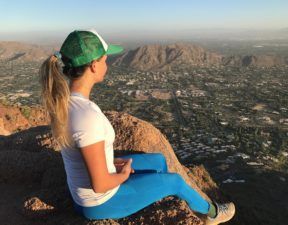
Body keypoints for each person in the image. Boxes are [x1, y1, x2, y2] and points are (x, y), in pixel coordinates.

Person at [39, 28, 235, 225]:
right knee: (175, 181)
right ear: (93, 65)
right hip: (100, 203)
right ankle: (212, 214)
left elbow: (83, 154)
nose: (107, 64)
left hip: (85, 196)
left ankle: (162, 195)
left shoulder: (67, 103)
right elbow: (100, 184)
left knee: (158, 161)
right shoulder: (87, 117)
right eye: (105, 60)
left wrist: (110, 165)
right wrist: (122, 175)